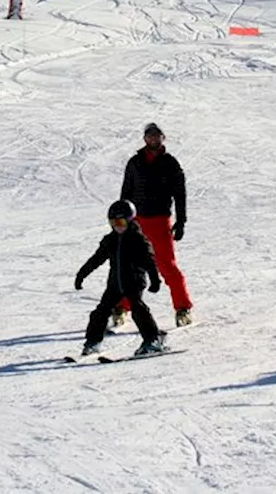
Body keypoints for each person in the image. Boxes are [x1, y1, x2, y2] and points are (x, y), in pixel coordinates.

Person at [115, 122, 193, 328]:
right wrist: (121, 221)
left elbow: (180, 194)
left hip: (160, 221)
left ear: (162, 138)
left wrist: (181, 221)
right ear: (144, 139)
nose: (153, 139)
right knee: (130, 267)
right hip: (137, 222)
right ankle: (121, 308)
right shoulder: (134, 163)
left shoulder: (170, 163)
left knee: (167, 266)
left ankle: (182, 307)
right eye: (149, 136)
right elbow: (126, 192)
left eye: (156, 136)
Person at [74, 200, 166, 357]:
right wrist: (82, 274)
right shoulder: (110, 240)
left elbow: (149, 261)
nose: (118, 226)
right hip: (115, 283)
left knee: (138, 309)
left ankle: (153, 339)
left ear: (130, 220)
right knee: (101, 311)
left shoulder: (138, 239)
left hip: (134, 281)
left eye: (121, 221)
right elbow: (96, 259)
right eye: (114, 222)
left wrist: (155, 279)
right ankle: (92, 342)